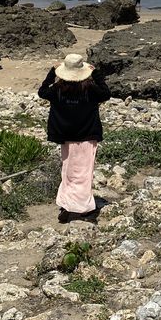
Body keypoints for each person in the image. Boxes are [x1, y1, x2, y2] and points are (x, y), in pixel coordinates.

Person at [38, 54, 112, 223]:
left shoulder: (57, 89)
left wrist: (51, 73)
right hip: (87, 136)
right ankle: (81, 209)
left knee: (69, 171)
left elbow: (41, 91)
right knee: (84, 173)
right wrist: (96, 74)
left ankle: (67, 204)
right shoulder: (90, 90)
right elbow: (106, 93)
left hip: (66, 137)